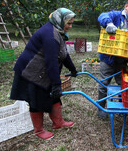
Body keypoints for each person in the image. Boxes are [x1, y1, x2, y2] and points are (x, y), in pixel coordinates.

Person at [10, 8, 78, 140]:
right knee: (36, 99)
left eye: (71, 23)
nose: (70, 26)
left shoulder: (58, 31)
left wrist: (73, 69)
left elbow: (63, 54)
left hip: (42, 69)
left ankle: (58, 122)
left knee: (53, 95)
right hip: (31, 71)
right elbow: (51, 60)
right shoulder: (50, 35)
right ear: (60, 20)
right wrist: (56, 84)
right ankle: (38, 130)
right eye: (68, 23)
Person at [97, 0, 128, 119]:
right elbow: (102, 16)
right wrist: (108, 24)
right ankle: (101, 108)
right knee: (104, 83)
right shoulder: (115, 15)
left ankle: (122, 107)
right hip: (109, 57)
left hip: (122, 59)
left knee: (123, 84)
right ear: (126, 6)